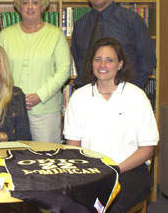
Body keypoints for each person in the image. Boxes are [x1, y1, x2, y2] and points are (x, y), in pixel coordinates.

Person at [64, 37, 159, 213]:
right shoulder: (79, 97)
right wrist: (90, 171)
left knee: (110, 207)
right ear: (91, 63)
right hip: (90, 170)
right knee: (68, 204)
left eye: (110, 60)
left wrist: (114, 170)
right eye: (98, 59)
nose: (102, 65)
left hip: (129, 170)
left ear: (120, 64)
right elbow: (73, 146)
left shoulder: (136, 97)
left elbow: (147, 149)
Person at [0, 0, 71, 143]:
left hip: (45, 110)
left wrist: (40, 96)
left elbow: (64, 70)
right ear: (18, 6)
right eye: (25, 2)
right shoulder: (6, 35)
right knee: (11, 155)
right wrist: (12, 97)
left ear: (43, 6)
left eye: (35, 2)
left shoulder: (55, 35)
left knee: (45, 158)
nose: (30, 7)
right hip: (11, 109)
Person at [72, 0, 156, 89]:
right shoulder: (80, 25)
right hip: (90, 99)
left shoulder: (132, 20)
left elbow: (148, 61)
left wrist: (129, 91)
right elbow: (80, 63)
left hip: (125, 97)